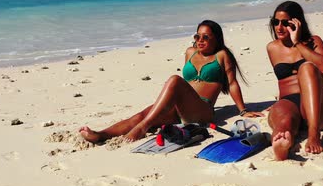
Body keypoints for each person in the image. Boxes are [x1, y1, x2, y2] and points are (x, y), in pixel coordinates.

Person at [80, 20, 264, 143]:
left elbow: (232, 83)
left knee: (174, 81)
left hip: (201, 111)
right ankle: (101, 135)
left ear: (216, 39)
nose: (200, 40)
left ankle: (143, 127)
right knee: (140, 115)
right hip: (181, 107)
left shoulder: (221, 55)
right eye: (197, 36)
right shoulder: (190, 53)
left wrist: (243, 110)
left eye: (206, 37)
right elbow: (188, 82)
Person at [266, 1, 323, 161]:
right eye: (276, 22)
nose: (279, 27)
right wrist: (279, 103)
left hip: (317, 107)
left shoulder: (313, 41)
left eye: (285, 23)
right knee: (284, 121)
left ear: (297, 23)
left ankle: (313, 132)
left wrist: (297, 43)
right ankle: (282, 145)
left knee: (307, 68)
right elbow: (283, 81)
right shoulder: (272, 48)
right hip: (289, 103)